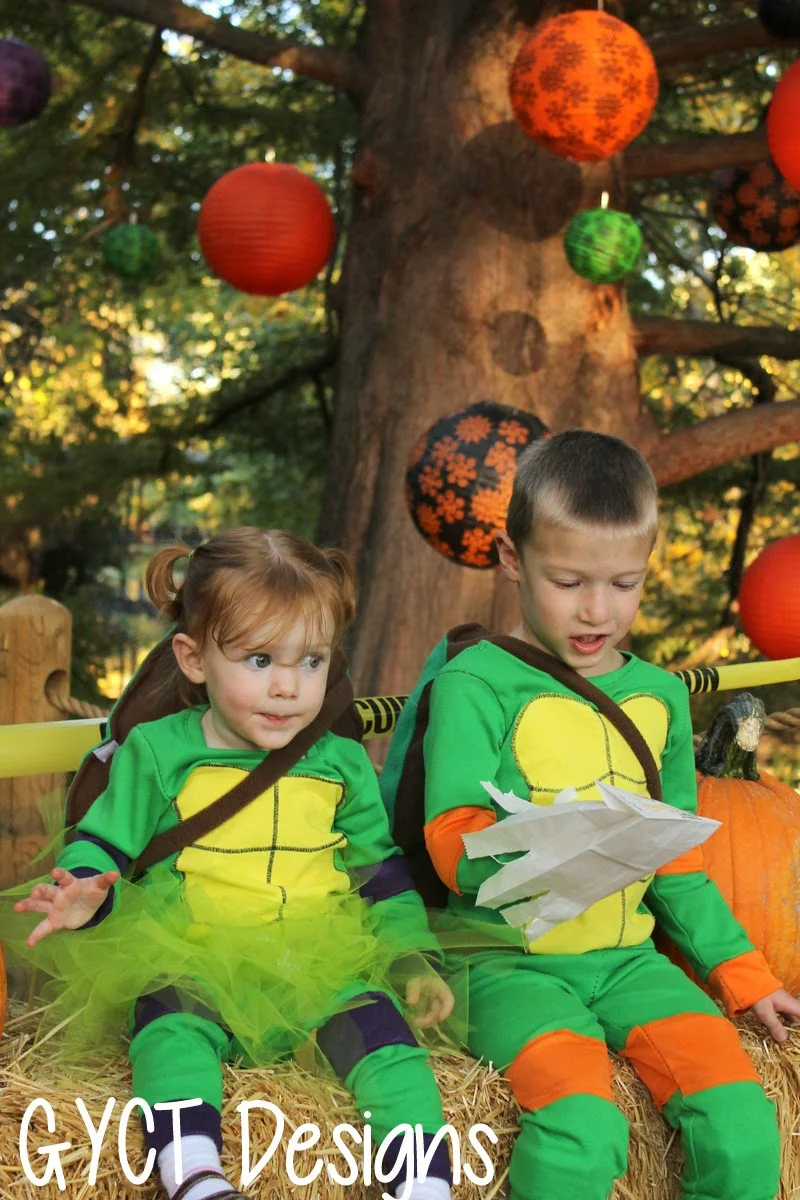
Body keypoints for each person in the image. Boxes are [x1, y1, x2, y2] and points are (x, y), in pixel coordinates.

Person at [381, 430, 800, 1200]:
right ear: (512, 558)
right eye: (569, 581)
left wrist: (744, 976)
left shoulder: (663, 696)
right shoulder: (475, 683)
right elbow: (449, 842)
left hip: (630, 962)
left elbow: (678, 860)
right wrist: (543, 846)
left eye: (624, 584)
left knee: (744, 1123)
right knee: (583, 1127)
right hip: (500, 963)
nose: (597, 610)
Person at [11, 528, 454, 1200]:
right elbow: (104, 845)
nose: (287, 687)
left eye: (311, 661)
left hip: (317, 957)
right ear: (192, 658)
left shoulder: (339, 763)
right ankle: (194, 1176)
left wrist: (412, 955)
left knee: (388, 1044)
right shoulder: (159, 753)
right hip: (194, 948)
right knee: (170, 1031)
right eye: (257, 660)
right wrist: (87, 892)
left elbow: (379, 872)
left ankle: (425, 1185)